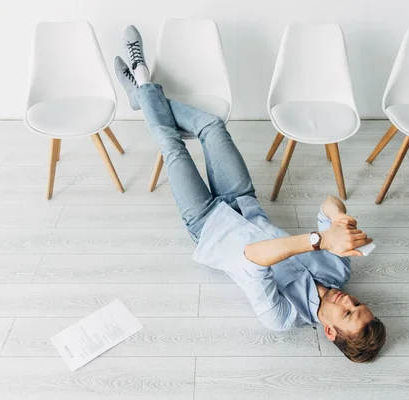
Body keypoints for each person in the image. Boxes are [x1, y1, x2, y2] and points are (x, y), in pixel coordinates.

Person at [114, 26, 386, 363]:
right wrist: (339, 219)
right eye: (358, 304)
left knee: (173, 148)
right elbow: (329, 202)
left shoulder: (282, 316)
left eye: (347, 314)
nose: (349, 301)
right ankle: (142, 91)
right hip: (243, 200)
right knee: (212, 125)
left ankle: (142, 84)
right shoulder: (338, 272)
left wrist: (320, 239)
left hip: (207, 225)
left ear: (329, 333)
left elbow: (253, 256)